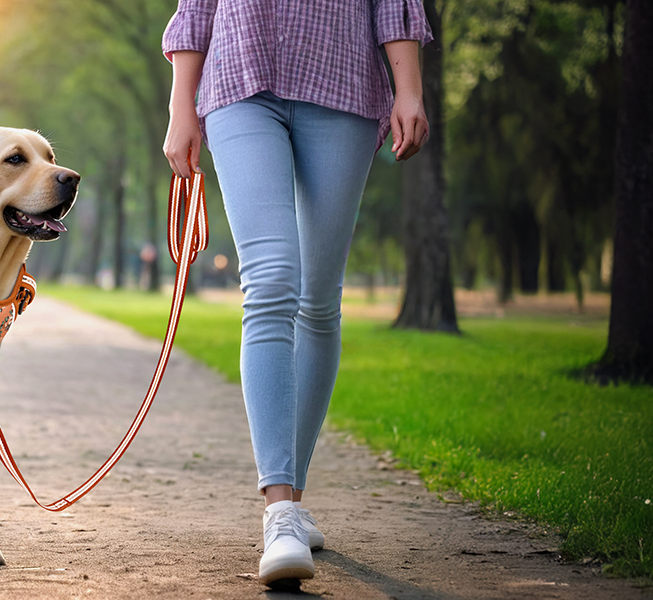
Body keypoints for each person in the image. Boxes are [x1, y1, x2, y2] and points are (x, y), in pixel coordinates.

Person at [160, 0, 433, 588]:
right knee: (271, 279)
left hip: (341, 79)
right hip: (239, 79)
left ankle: (295, 497)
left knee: (318, 298)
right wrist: (182, 100)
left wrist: (408, 87)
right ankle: (278, 510)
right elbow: (197, 6)